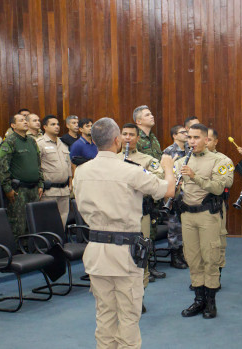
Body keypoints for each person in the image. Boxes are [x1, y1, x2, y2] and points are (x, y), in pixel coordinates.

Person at [73, 117, 175, 349]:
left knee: (105, 313)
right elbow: (168, 190)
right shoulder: (130, 170)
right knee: (128, 314)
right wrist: (168, 167)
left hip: (96, 250)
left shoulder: (81, 171)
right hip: (125, 253)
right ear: (117, 141)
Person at [177, 123, 232, 319]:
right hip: (187, 215)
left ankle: (210, 302)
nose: (192, 141)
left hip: (208, 214)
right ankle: (198, 300)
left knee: (210, 258)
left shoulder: (219, 161)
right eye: (189, 137)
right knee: (193, 258)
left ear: (206, 139)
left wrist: (194, 176)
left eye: (196, 138)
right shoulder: (181, 161)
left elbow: (218, 188)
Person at [118, 123, 166, 307]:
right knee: (121, 256)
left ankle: (139, 296)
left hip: (141, 213)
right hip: (119, 213)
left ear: (138, 138)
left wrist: (139, 172)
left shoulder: (147, 159)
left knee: (140, 254)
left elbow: (159, 179)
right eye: (124, 134)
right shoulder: (112, 159)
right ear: (119, 137)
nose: (128, 138)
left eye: (131, 135)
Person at [0, 114, 44, 240]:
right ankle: (19, 254)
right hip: (19, 190)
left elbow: (38, 164)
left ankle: (33, 250)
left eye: (25, 120)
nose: (25, 122)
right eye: (21, 120)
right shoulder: (9, 141)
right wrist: (7, 188)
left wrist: (40, 183)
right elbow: (2, 166)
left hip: (34, 188)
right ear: (13, 125)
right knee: (19, 224)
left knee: (33, 222)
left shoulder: (32, 141)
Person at [206, 128, 235, 283]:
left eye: (209, 139)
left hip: (214, 205)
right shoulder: (189, 159)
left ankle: (216, 273)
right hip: (194, 208)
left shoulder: (224, 160)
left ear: (216, 141)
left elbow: (228, 182)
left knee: (217, 241)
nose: (205, 143)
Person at [161, 125, 189, 269]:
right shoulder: (169, 152)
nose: (186, 134)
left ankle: (184, 253)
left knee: (185, 226)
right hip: (175, 193)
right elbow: (165, 172)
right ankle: (175, 255)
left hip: (188, 193)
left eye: (186, 132)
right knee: (174, 226)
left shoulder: (190, 150)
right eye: (182, 132)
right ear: (174, 135)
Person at [37, 115, 71, 227]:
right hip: (49, 191)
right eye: (53, 124)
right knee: (48, 221)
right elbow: (37, 166)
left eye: (57, 124)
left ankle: (60, 243)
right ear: (45, 127)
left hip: (64, 190)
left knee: (63, 221)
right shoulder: (39, 143)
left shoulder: (63, 144)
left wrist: (70, 182)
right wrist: (40, 185)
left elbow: (68, 165)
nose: (57, 127)